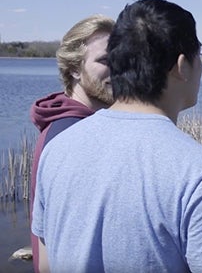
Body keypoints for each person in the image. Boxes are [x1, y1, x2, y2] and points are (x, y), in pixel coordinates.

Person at [31, 0, 202, 273]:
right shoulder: (201, 173)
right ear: (182, 66)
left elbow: (45, 265)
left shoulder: (57, 149)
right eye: (200, 56)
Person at [29, 14, 115, 273]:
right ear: (75, 69)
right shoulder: (71, 133)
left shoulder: (71, 123)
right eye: (105, 61)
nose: (118, 70)